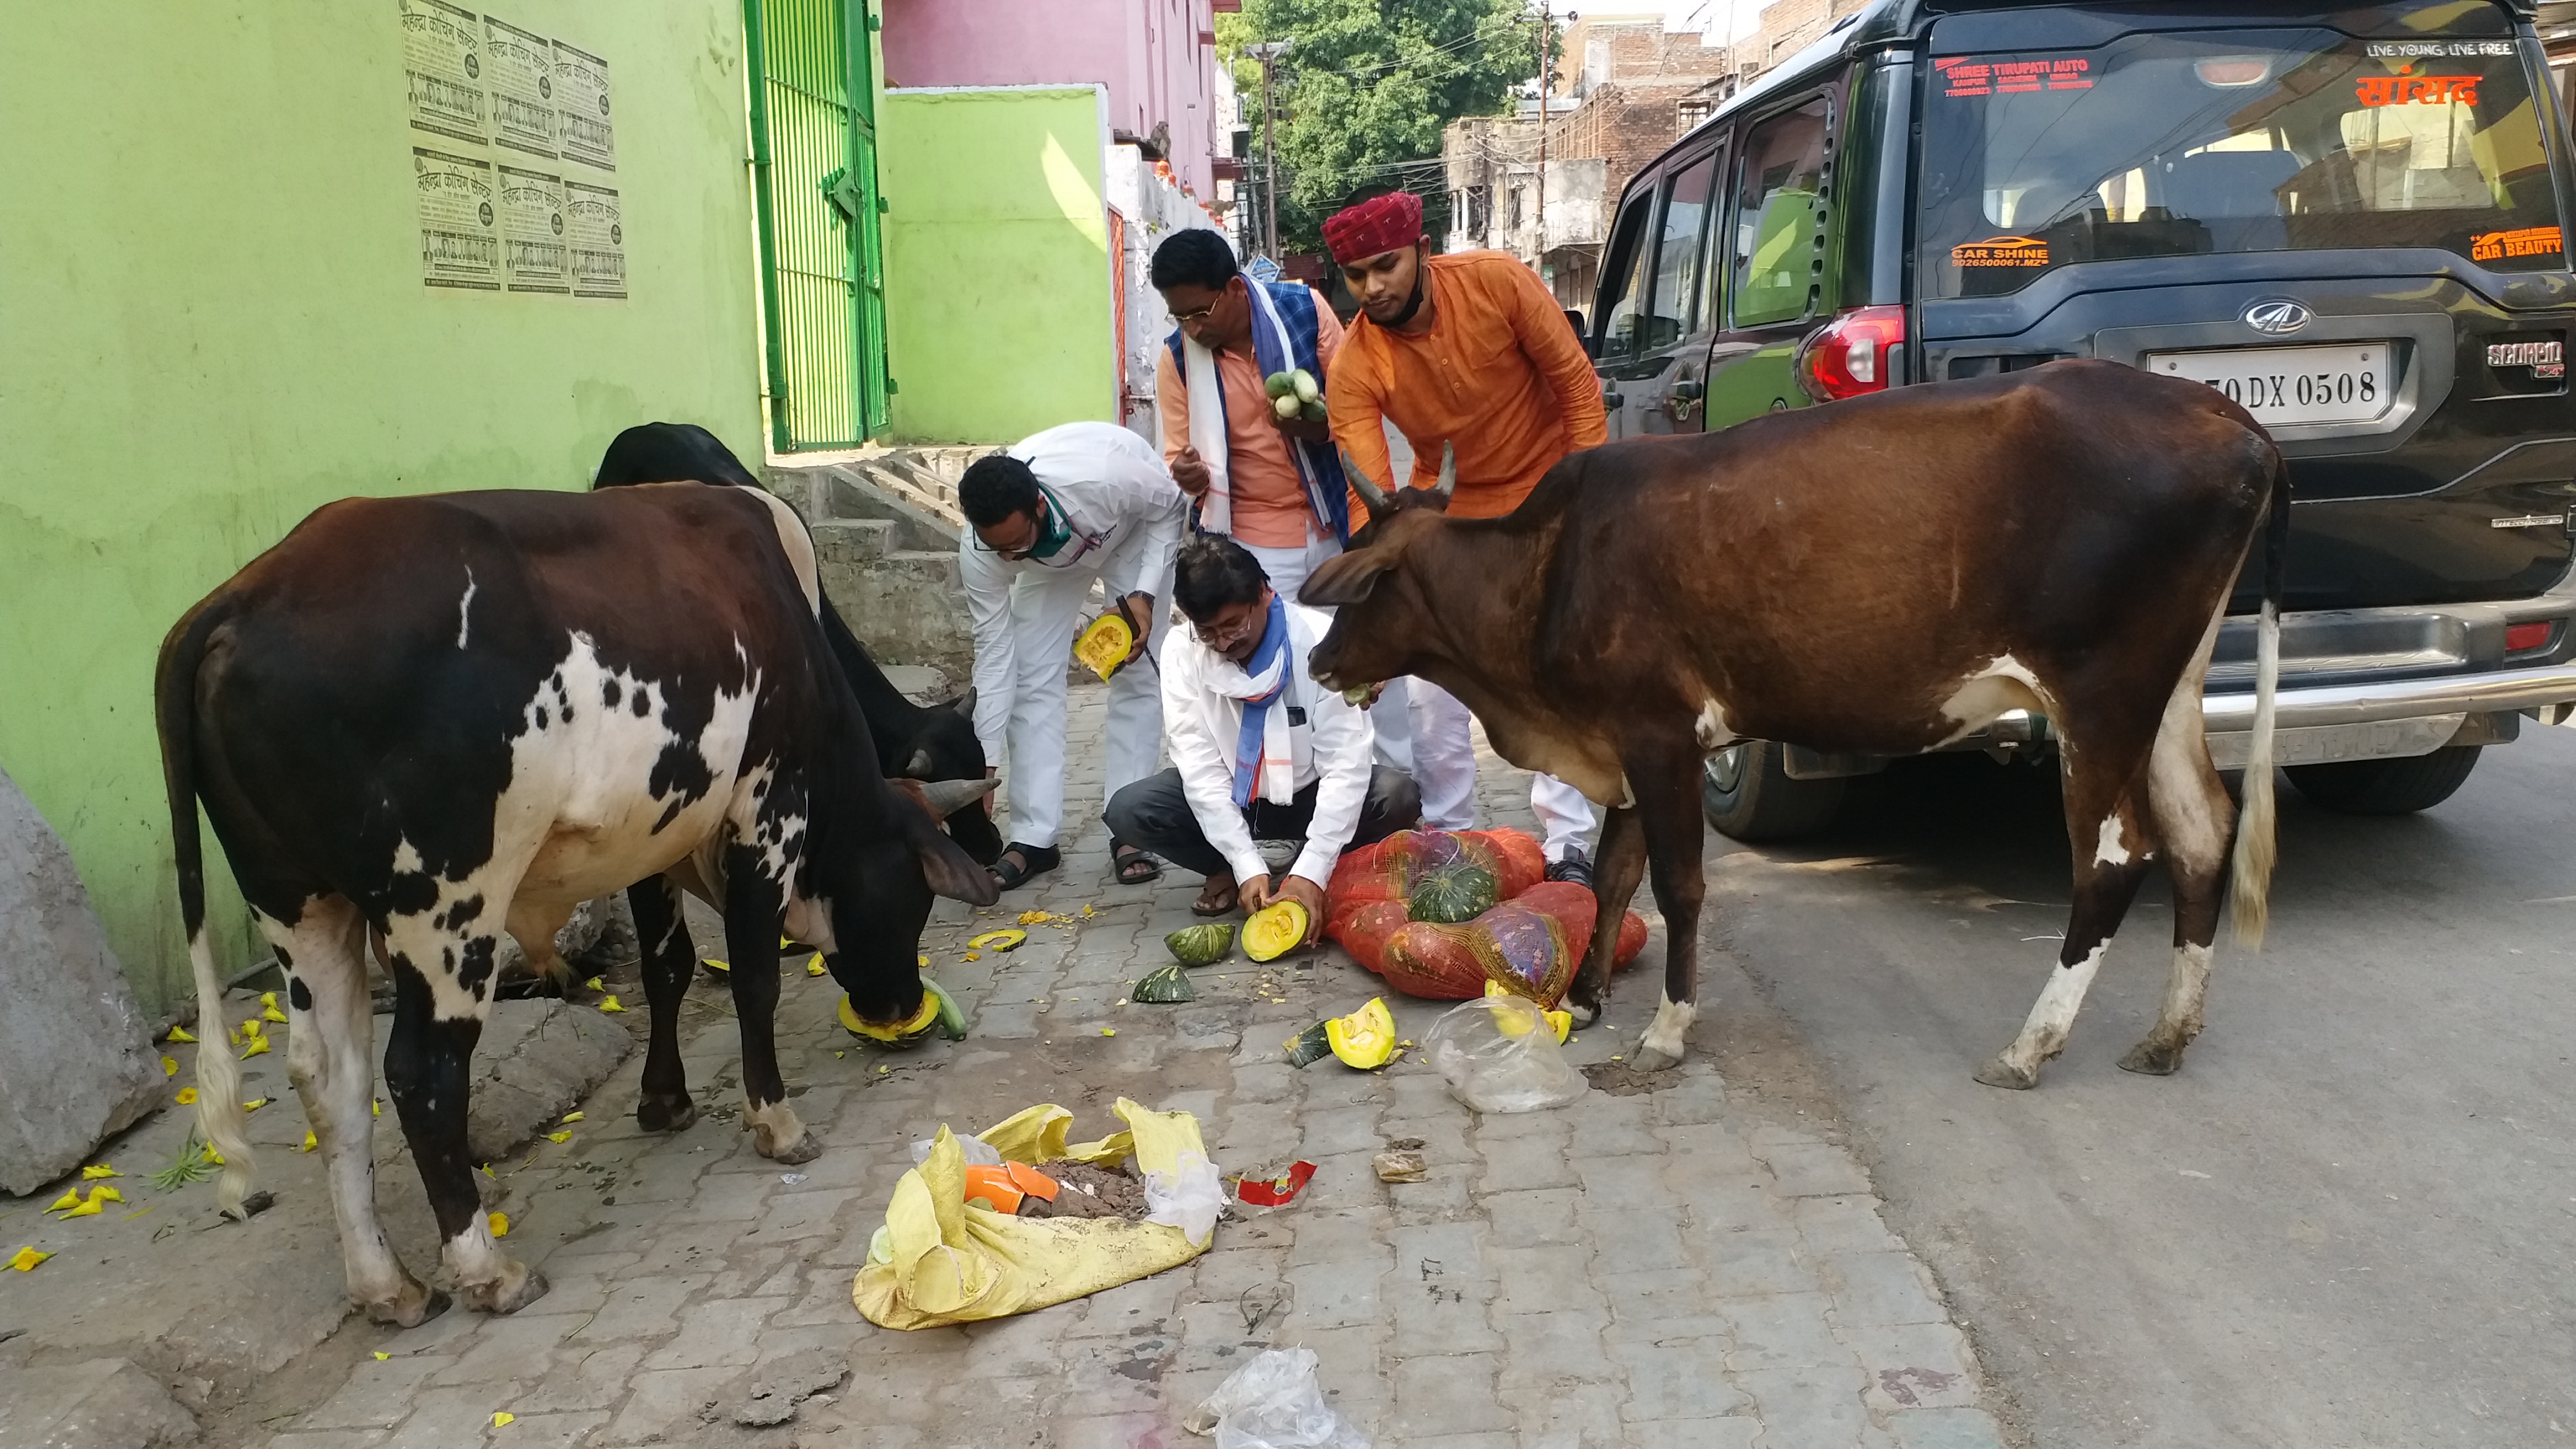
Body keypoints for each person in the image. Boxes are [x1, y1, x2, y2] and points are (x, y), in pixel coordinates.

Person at [1320, 187, 1611, 883]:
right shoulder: (1355, 367)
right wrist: (1384, 603)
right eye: (1356, 276)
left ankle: (1569, 845)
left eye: (1386, 265)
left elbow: (1577, 386)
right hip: (1451, 517)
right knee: (1432, 686)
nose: (1372, 287)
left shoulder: (1499, 281)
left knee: (1555, 672)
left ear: (1422, 251)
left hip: (1552, 493)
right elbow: (1372, 504)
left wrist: (1593, 501)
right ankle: (1452, 839)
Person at [1106, 537, 1422, 925]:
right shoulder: (1180, 650)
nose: (1223, 643)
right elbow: (1200, 769)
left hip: (1311, 791)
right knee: (1128, 810)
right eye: (1207, 631)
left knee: (1396, 795)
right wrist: (1244, 863)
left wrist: (1312, 870)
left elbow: (1345, 767)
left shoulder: (1319, 639)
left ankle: (1317, 874)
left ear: (1264, 594)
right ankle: (1228, 869)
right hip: (1236, 793)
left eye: (1233, 625)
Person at [959, 422, 1186, 891]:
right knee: (1029, 677)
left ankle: (1130, 829)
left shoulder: (1105, 475)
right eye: (996, 548)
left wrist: (1143, 591)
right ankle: (1034, 838)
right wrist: (983, 760)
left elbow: (1170, 506)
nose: (1005, 560)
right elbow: (994, 653)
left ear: (1039, 506)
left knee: (1137, 673)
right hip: (1051, 560)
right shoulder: (988, 551)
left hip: (1132, 531)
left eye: (1013, 544)